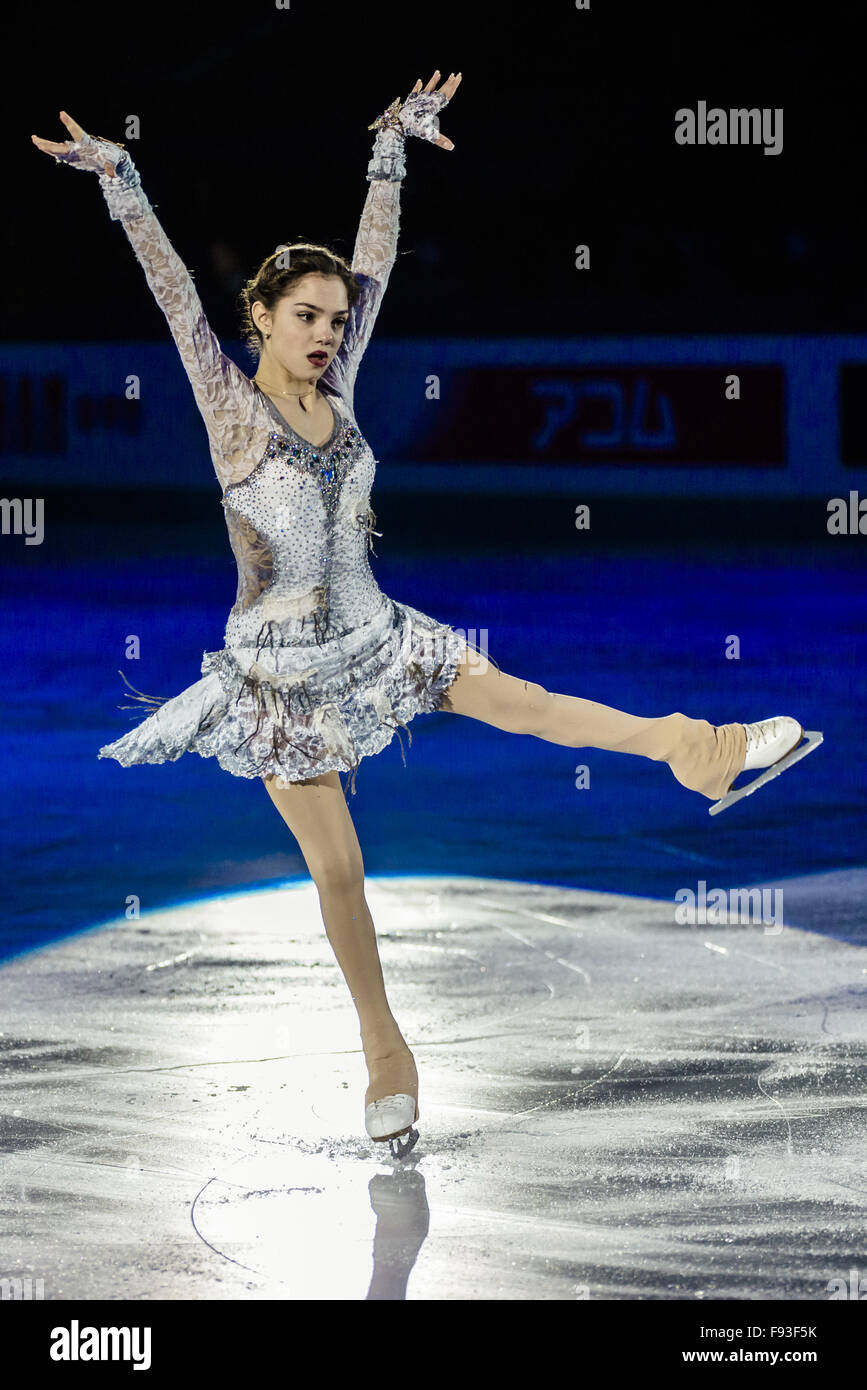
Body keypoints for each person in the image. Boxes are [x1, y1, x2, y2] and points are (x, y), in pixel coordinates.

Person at [32, 75, 808, 1160]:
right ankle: (385, 1050)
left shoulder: (342, 387)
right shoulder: (228, 404)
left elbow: (377, 262)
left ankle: (698, 747)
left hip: (381, 635)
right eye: (304, 315)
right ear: (258, 315)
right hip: (284, 679)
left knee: (528, 703)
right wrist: (124, 186)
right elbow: (170, 297)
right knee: (340, 869)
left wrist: (388, 150)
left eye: (334, 319)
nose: (323, 332)